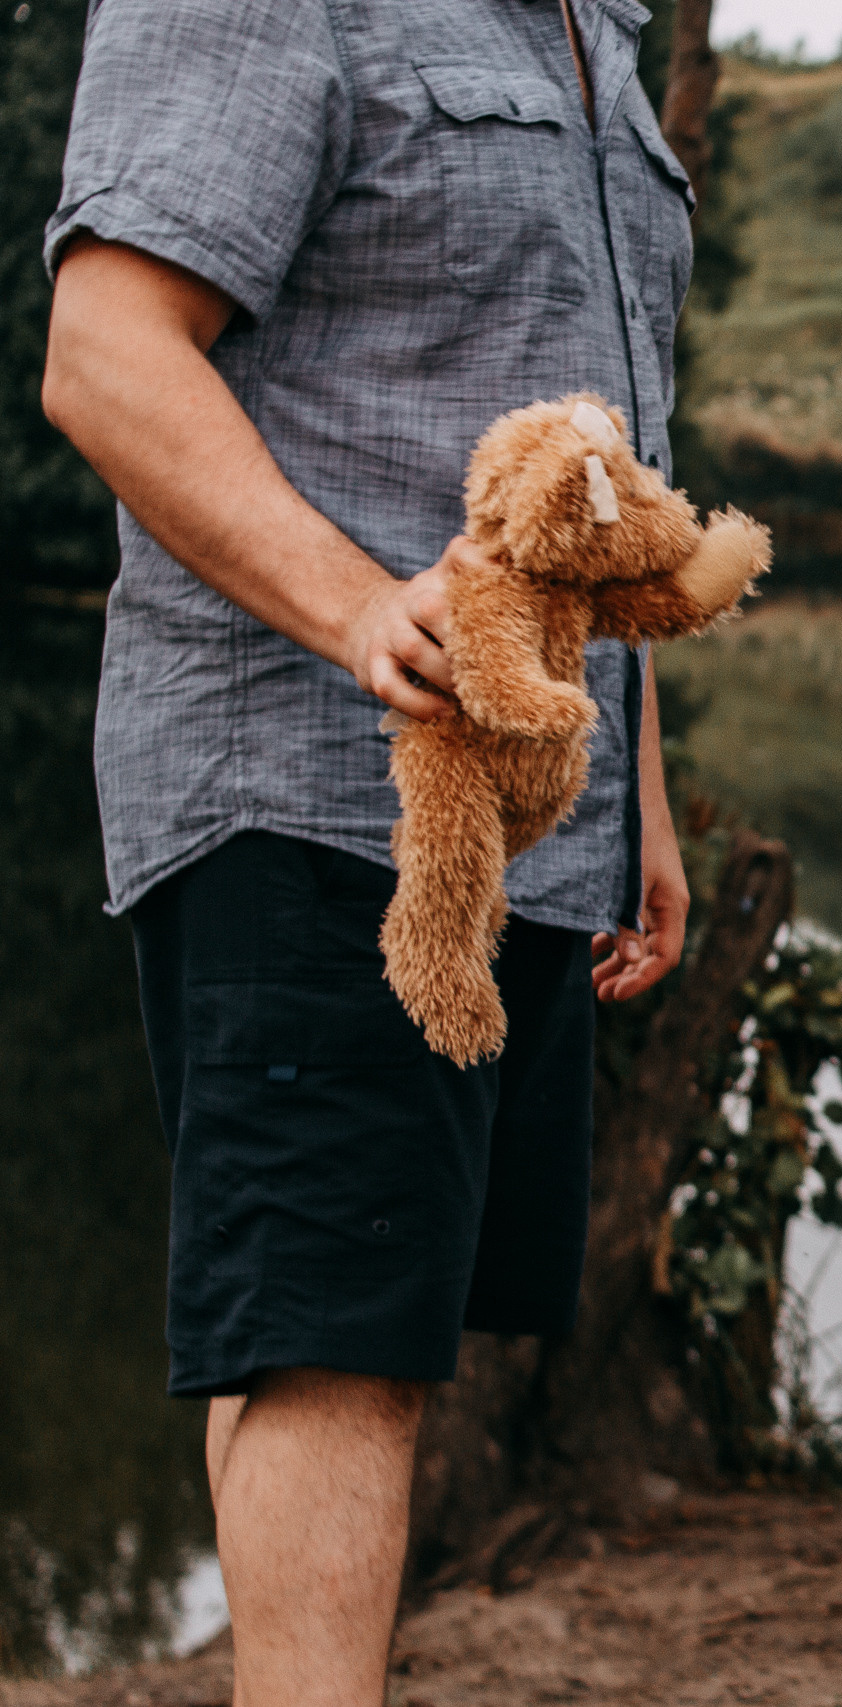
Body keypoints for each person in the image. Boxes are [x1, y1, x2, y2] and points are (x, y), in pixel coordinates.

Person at [39, 2, 699, 1701]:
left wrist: (643, 781)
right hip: (309, 788)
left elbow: (600, 479)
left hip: (537, 818)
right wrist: (351, 611)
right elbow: (106, 349)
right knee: (333, 1348)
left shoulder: (592, 26)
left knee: (360, 1345)